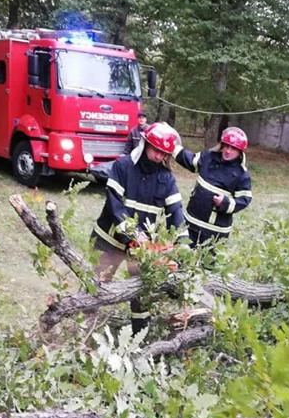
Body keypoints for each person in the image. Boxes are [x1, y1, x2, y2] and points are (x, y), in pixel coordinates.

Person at [91, 122, 188, 333]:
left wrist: (183, 249)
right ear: (145, 145)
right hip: (110, 240)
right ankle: (83, 331)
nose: (158, 156)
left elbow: (176, 213)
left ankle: (139, 337)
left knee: (141, 292)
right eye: (155, 150)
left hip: (141, 248)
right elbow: (114, 204)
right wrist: (134, 235)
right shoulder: (122, 167)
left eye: (163, 153)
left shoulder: (166, 179)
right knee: (96, 285)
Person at [172, 126, 252, 249]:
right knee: (181, 258)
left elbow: (244, 200)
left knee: (206, 266)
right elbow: (191, 160)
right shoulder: (208, 157)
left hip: (215, 232)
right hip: (191, 223)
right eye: (226, 146)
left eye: (233, 148)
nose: (228, 151)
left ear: (240, 152)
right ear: (222, 145)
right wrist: (172, 146)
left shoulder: (242, 174)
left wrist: (225, 203)